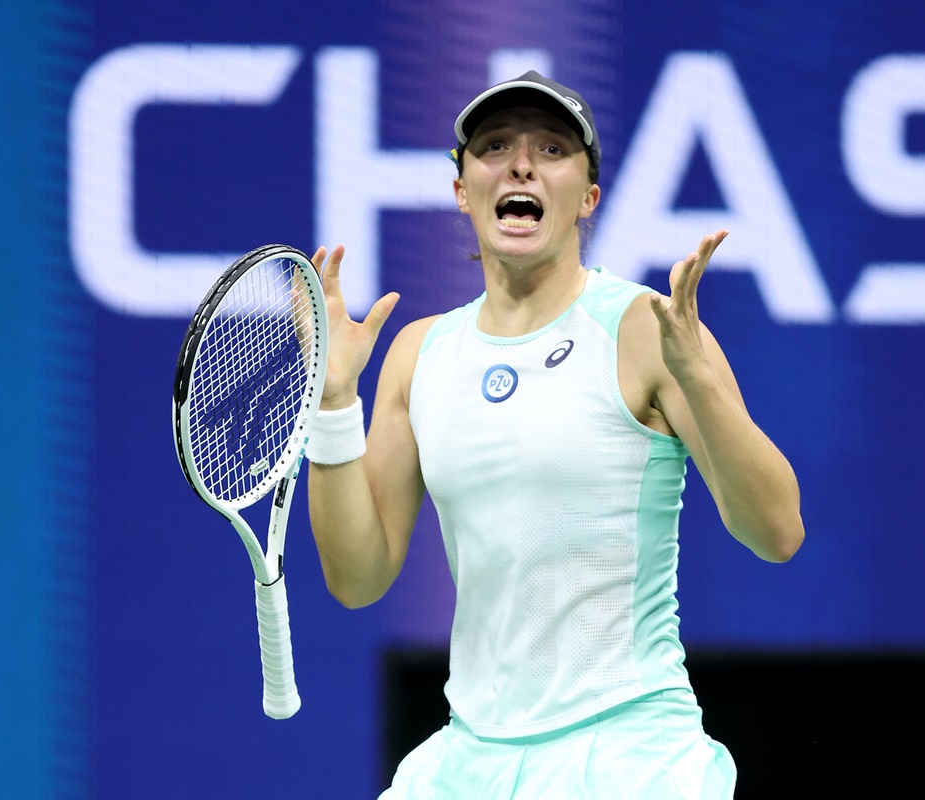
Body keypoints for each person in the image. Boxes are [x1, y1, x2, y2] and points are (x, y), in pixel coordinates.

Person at [304, 71, 804, 800]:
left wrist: (695, 375)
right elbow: (357, 577)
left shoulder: (645, 330)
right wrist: (333, 403)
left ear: (587, 199)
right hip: (469, 761)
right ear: (462, 190)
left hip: (631, 755)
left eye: (552, 148)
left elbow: (778, 532)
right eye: (495, 146)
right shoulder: (418, 354)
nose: (522, 164)